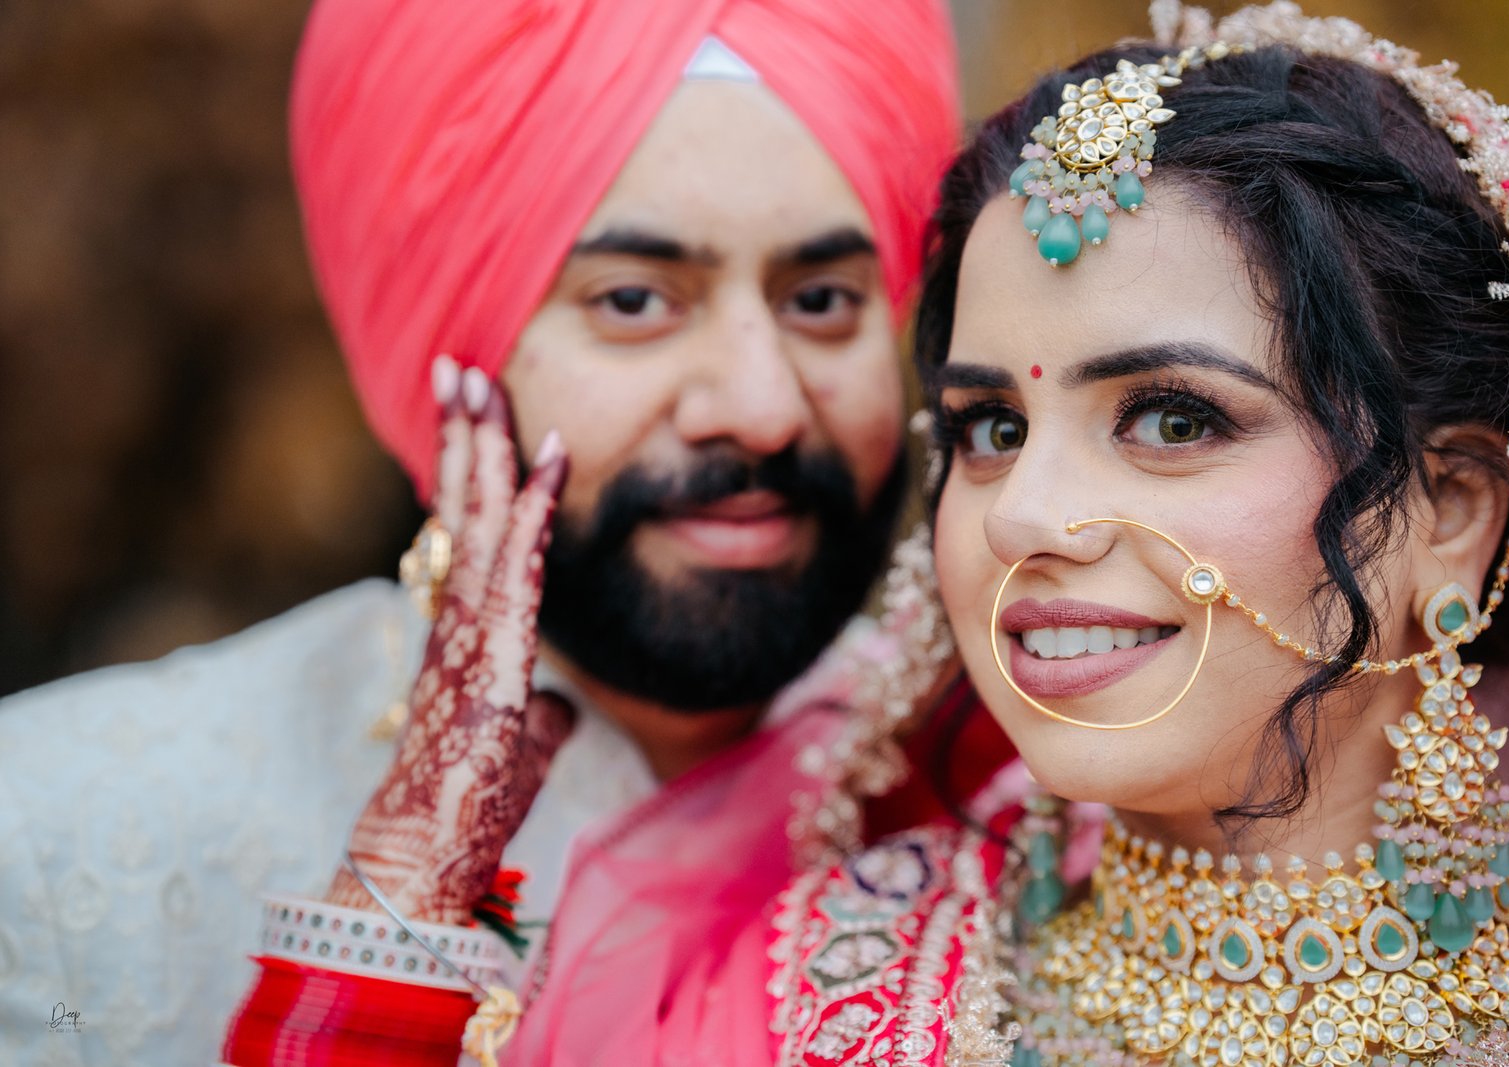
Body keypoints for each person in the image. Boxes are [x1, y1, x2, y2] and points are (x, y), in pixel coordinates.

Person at [1, 1, 1026, 1064]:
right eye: (634, 300)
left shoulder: (1027, 803)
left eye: (821, 298)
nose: (762, 405)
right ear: (446, 349)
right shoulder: (53, 841)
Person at [767, 3, 1509, 1063]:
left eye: (1172, 419)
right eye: (994, 427)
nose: (1021, 512)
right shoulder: (816, 979)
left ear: (1449, 509)